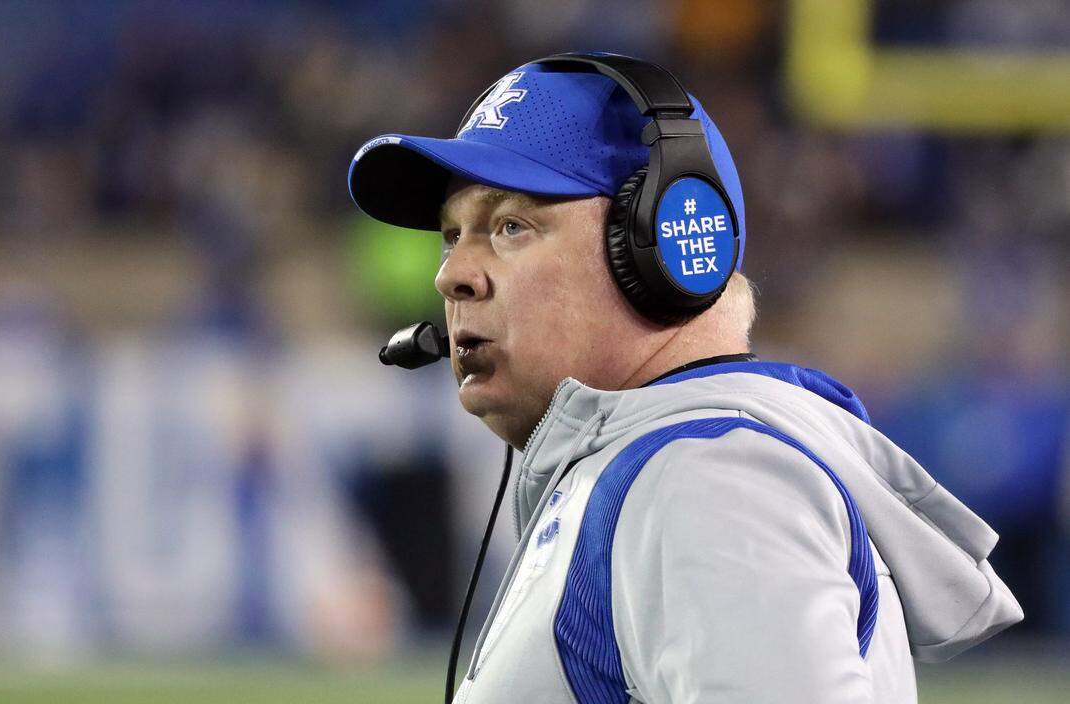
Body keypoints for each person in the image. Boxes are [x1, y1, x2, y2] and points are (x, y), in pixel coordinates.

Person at [347, 53, 1022, 704]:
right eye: (451, 234)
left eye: (511, 226)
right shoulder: (662, 469)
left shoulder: (708, 479)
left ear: (660, 244)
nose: (451, 274)